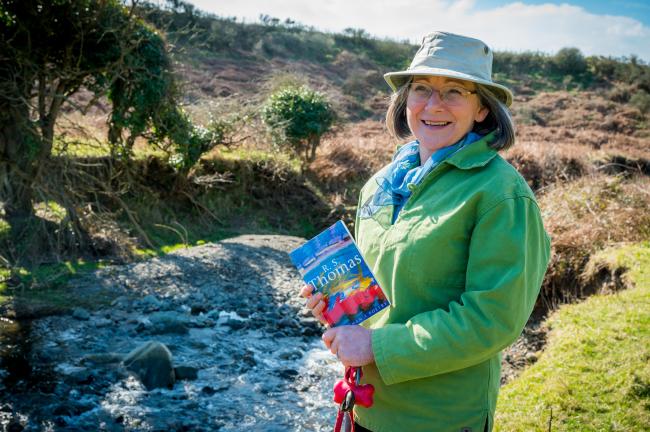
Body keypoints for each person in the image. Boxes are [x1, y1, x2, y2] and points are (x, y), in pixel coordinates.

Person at [301, 31, 551, 432]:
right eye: (422, 89)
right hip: (366, 406)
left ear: (482, 110)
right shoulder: (380, 184)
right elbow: (378, 290)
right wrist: (337, 307)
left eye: (454, 91)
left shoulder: (501, 195)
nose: (433, 105)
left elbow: (492, 319)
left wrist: (375, 347)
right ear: (406, 100)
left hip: (440, 418)